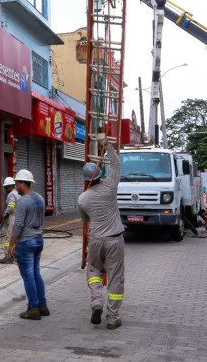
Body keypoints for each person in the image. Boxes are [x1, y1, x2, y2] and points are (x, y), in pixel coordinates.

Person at [77, 136, 125, 330]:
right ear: (99, 175)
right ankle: (112, 318)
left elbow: (84, 221)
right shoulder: (111, 186)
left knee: (94, 270)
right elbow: (116, 165)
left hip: (96, 240)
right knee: (115, 277)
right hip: (115, 240)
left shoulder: (82, 199)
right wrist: (109, 147)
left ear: (86, 179)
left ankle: (96, 302)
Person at [7, 169, 48, 320]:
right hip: (38, 239)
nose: (15, 186)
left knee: (28, 275)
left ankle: (33, 308)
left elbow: (18, 226)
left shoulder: (23, 201)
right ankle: (42, 305)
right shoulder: (39, 198)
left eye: (16, 183)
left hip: (26, 242)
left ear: (22, 183)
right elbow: (42, 220)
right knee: (36, 272)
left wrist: (11, 245)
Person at [0, 176, 19, 264]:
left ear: (11, 186)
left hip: (13, 219)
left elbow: (10, 207)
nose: (5, 189)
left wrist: (5, 215)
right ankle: (16, 254)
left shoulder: (11, 194)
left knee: (9, 238)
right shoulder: (18, 193)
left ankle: (8, 256)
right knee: (17, 238)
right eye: (5, 187)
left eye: (7, 187)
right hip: (19, 219)